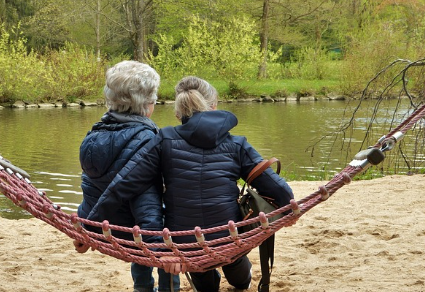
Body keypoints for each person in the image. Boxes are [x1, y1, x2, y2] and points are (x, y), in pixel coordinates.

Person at [87, 76, 294, 292]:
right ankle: (241, 280)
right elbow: (276, 187)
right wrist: (289, 207)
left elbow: (124, 184)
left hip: (186, 243)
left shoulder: (163, 139)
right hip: (230, 237)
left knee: (200, 270)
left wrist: (89, 227)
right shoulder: (237, 144)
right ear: (213, 106)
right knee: (237, 266)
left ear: (178, 113)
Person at [74, 60, 180, 292]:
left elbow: (90, 187)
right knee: (169, 227)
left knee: (140, 231)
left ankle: (142, 286)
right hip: (137, 231)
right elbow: (146, 201)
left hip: (103, 225)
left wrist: (85, 227)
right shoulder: (148, 140)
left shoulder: (93, 135)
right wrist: (159, 250)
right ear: (148, 104)